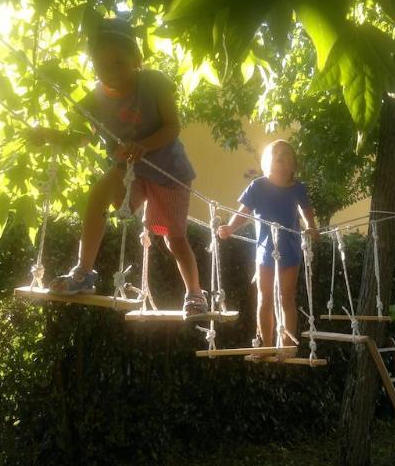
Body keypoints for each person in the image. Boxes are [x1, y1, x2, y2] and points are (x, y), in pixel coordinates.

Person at [38, 18, 208, 318]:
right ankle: (84, 272)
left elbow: (172, 126)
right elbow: (81, 137)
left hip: (168, 173)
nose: (112, 70)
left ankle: (194, 292)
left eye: (119, 62)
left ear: (136, 59)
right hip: (130, 171)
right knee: (97, 196)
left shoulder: (153, 83)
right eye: (102, 65)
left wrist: (144, 145)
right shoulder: (94, 99)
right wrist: (49, 136)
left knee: (173, 239)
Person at [217, 140, 318, 346]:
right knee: (265, 299)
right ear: (266, 161)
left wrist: (311, 226)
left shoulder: (297, 188)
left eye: (285, 153)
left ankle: (287, 344)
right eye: (275, 152)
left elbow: (306, 210)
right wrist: (230, 228)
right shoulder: (257, 186)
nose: (279, 155)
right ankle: (266, 344)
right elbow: (243, 213)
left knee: (286, 297)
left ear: (293, 165)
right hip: (264, 252)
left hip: (290, 251)